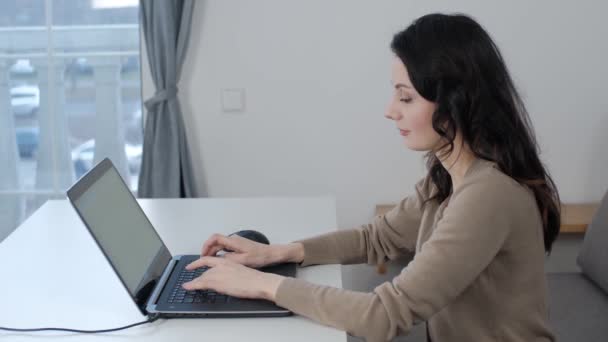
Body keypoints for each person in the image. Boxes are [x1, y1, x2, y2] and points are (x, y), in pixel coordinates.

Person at [182, 13, 560, 342]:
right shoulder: (448, 174)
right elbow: (377, 237)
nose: (389, 111)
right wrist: (280, 253)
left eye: (406, 98)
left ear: (455, 102)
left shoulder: (488, 195)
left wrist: (263, 286)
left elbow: (383, 317)